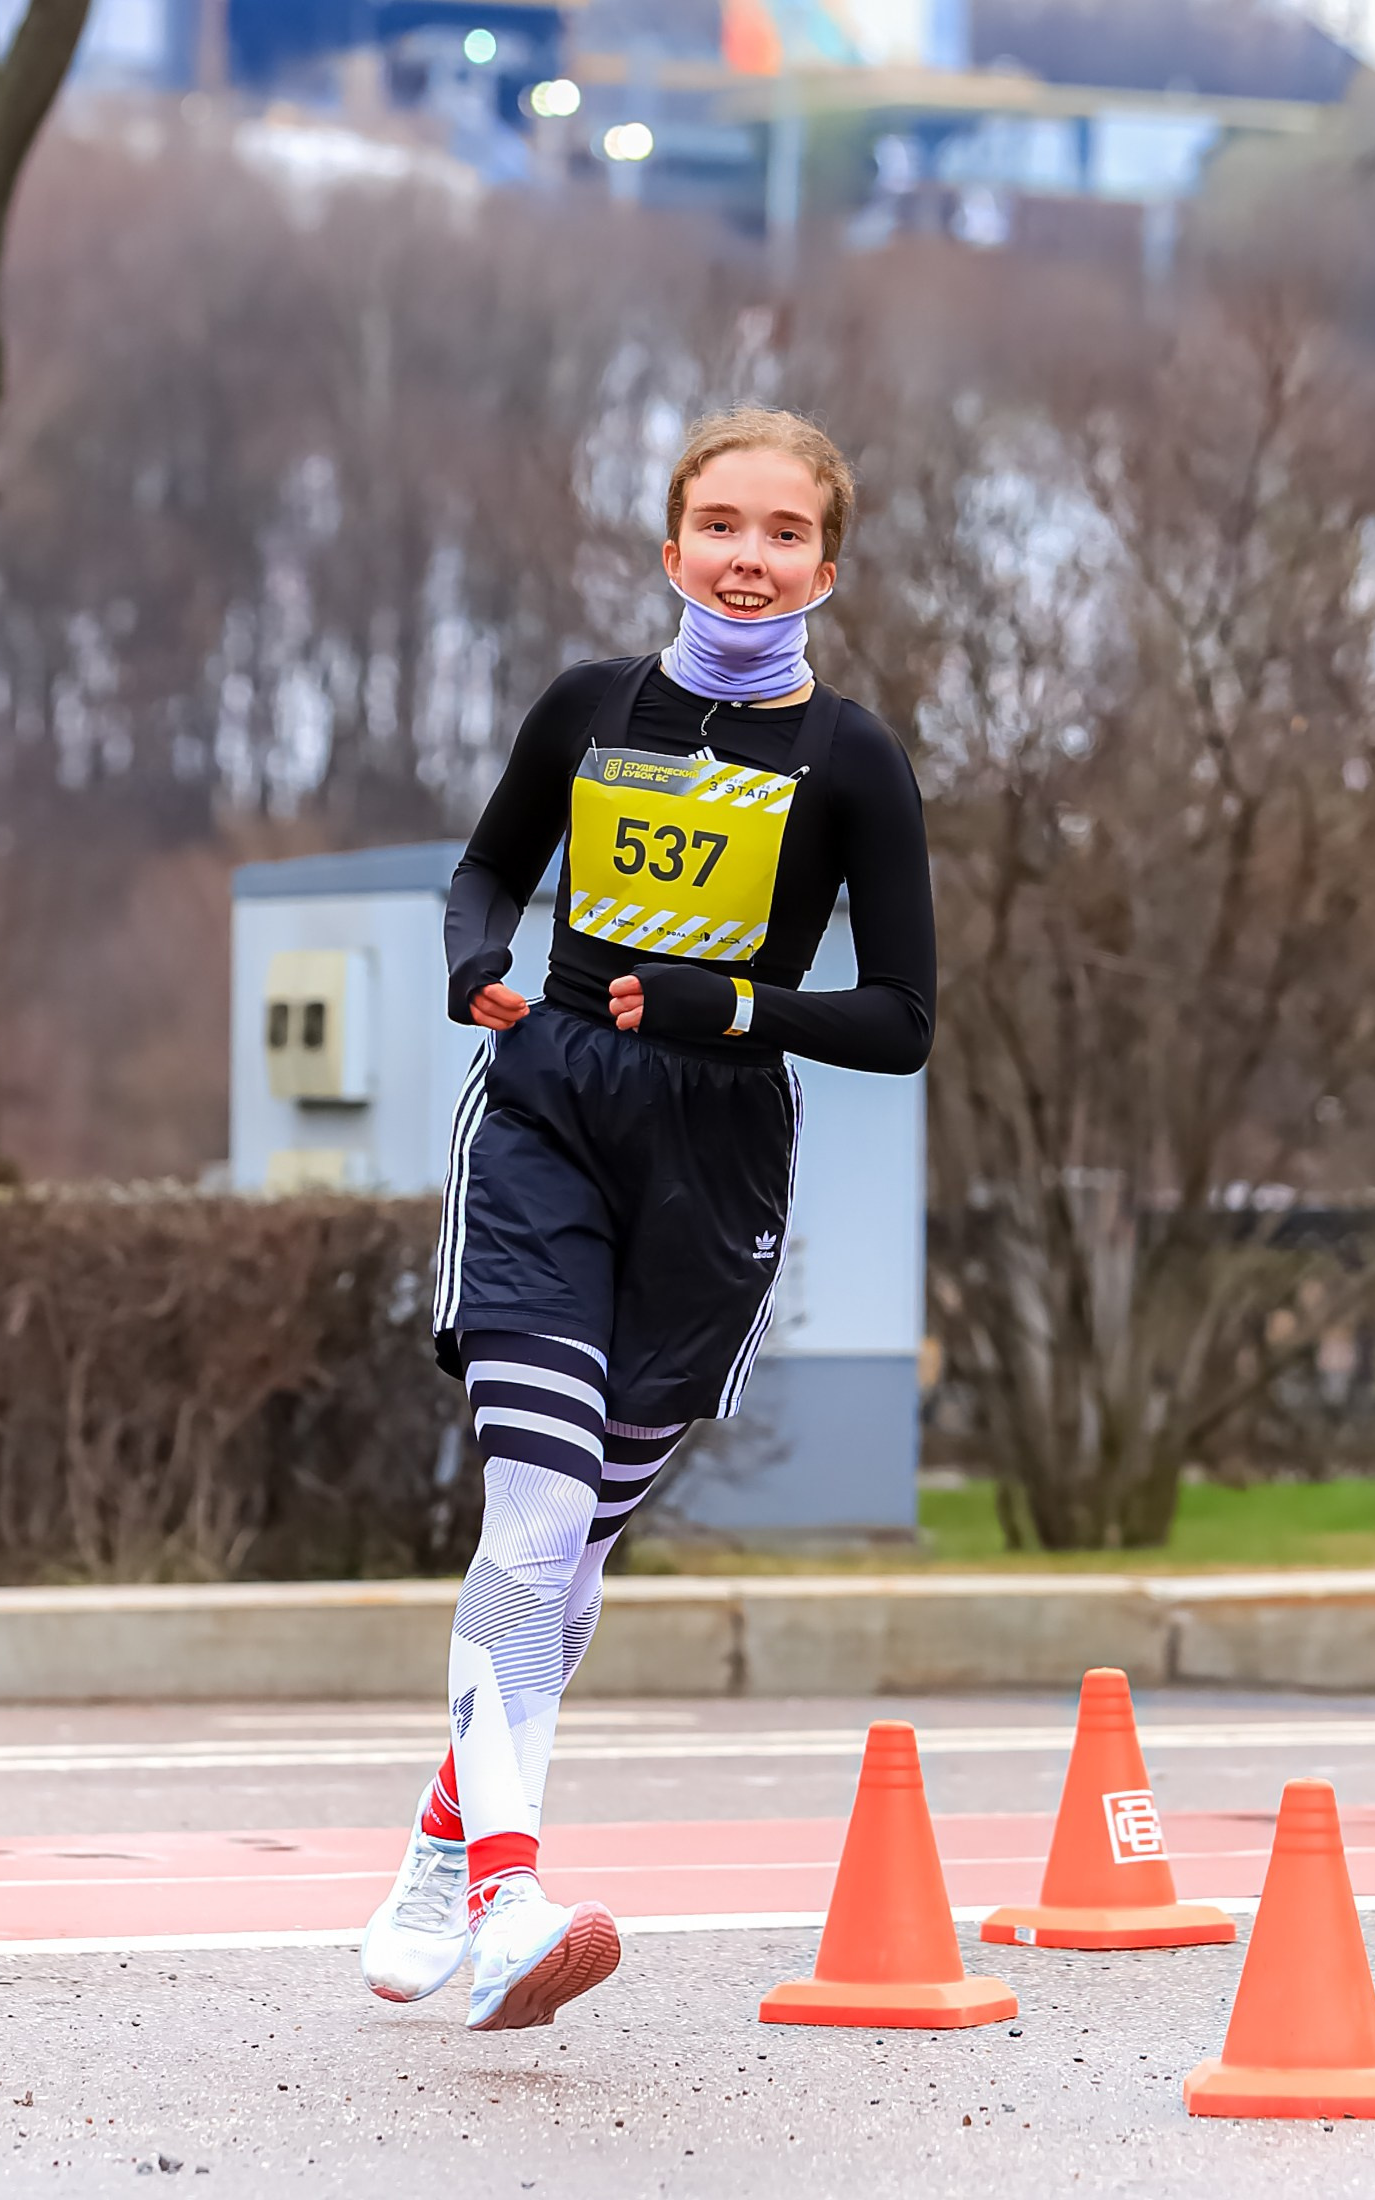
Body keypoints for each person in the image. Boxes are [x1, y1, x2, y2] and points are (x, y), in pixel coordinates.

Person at [359, 404, 934, 2032]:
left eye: (786, 534)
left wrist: (739, 1009)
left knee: (581, 1550)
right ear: (669, 542)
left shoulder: (856, 760)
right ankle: (509, 1891)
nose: (749, 559)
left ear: (830, 562)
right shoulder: (586, 708)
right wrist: (479, 967)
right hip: (549, 1117)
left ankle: (432, 1856)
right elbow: (484, 874)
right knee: (530, 1518)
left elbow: (901, 1017)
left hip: (720, 1160)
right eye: (722, 526)